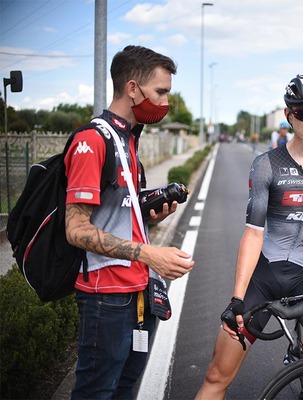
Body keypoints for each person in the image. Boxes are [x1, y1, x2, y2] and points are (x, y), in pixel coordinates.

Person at [196, 74, 303, 400]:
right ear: (289, 114)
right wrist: (237, 297)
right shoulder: (267, 165)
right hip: (265, 275)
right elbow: (253, 232)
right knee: (216, 376)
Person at [64, 45, 195, 399]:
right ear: (133, 88)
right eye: (161, 92)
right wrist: (151, 255)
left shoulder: (129, 139)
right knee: (97, 392)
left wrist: (149, 216)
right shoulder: (93, 141)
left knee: (125, 391)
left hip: (139, 292)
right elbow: (76, 229)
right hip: (105, 298)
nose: (166, 102)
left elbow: (119, 210)